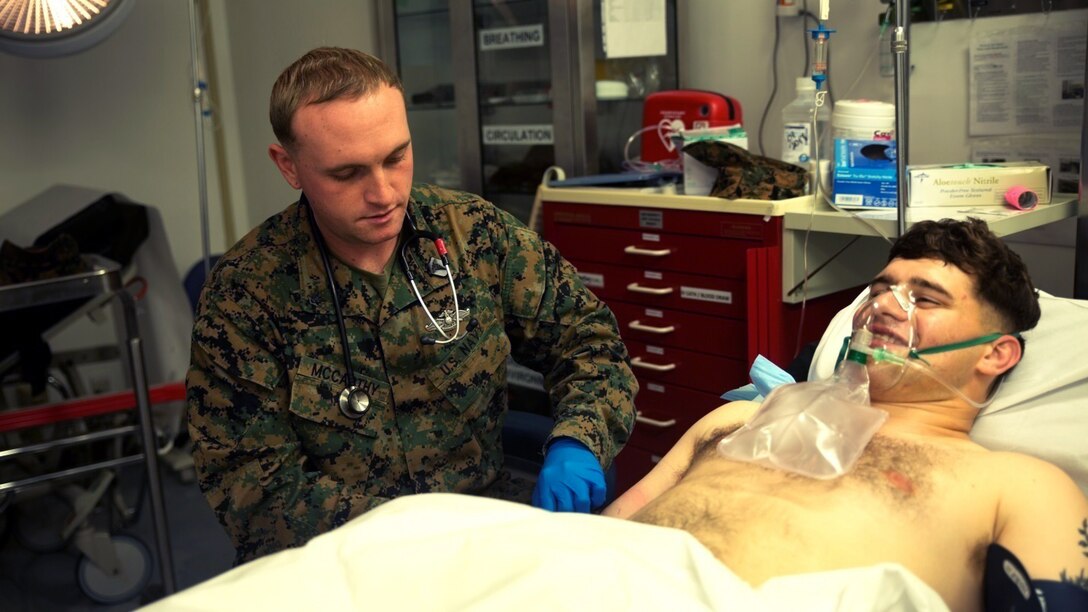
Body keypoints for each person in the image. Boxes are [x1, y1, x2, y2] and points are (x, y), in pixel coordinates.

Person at [186, 47, 637, 564]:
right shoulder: (246, 293)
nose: (383, 194)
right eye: (347, 173)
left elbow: (590, 342)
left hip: (484, 537)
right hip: (341, 562)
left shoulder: (473, 235)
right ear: (289, 166)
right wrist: (418, 541)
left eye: (395, 157)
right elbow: (251, 487)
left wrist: (579, 439)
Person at [603, 218, 1088, 611]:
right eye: (878, 291)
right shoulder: (734, 421)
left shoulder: (1022, 486)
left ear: (995, 354)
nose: (884, 307)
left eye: (924, 298)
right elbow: (607, 534)